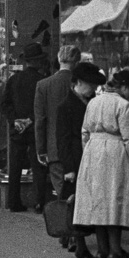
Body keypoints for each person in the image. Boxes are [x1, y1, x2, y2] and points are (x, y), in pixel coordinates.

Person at [73, 69, 129, 258]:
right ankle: (115, 252)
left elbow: (84, 133)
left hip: (92, 152)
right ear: (122, 87)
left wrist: (88, 154)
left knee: (98, 203)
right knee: (116, 201)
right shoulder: (124, 106)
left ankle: (102, 251)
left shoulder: (93, 102)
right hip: (115, 153)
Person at [57, 60, 106, 258]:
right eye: (89, 84)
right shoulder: (66, 106)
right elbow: (63, 139)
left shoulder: (93, 101)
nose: (93, 88)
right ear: (77, 83)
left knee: (85, 202)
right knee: (78, 203)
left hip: (91, 156)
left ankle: (78, 243)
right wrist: (68, 167)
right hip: (76, 158)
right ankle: (80, 245)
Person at [2, 42, 45, 212]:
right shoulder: (42, 81)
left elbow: (5, 105)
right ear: (38, 62)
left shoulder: (14, 80)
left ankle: (14, 202)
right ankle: (40, 202)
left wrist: (15, 121)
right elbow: (43, 108)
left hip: (17, 129)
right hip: (35, 129)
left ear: (26, 61)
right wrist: (30, 120)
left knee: (15, 167)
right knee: (38, 167)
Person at [35, 46, 81, 202]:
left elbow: (40, 120)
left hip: (54, 148)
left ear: (59, 59)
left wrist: (41, 149)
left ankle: (64, 223)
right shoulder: (81, 84)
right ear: (77, 61)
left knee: (61, 191)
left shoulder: (43, 85)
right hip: (78, 147)